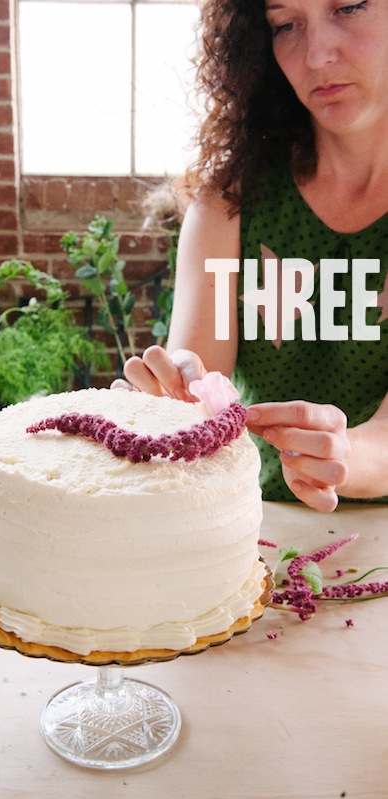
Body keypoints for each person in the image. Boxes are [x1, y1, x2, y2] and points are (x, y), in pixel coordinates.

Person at [114, 0, 388, 513]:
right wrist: (176, 392)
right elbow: (199, 387)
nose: (317, 55)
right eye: (286, 25)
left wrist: (342, 454)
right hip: (248, 528)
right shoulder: (229, 202)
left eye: (349, 6)